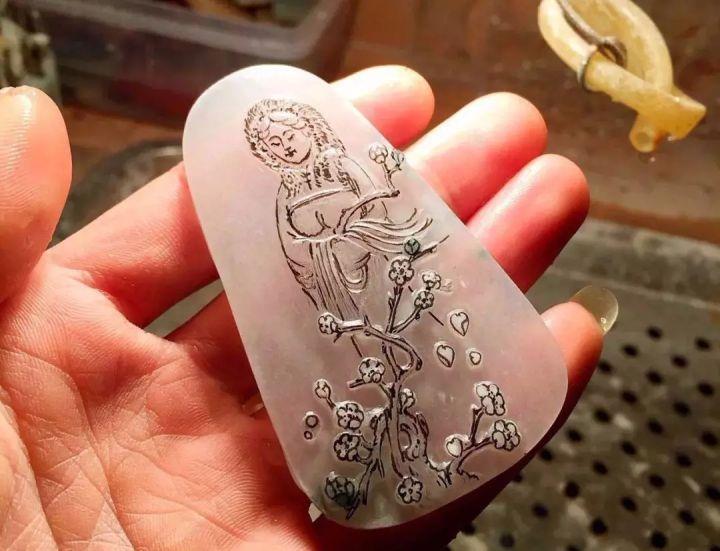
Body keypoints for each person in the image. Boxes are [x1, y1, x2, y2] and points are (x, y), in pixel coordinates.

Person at [0, 65, 614, 549]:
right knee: (386, 381)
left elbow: (387, 213)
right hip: (345, 298)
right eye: (272, 143)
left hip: (397, 278)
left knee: (437, 361)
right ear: (266, 156)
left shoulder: (350, 163)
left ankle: (451, 428)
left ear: (311, 128)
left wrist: (362, 229)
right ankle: (410, 447)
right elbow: (297, 256)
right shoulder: (281, 199)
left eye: (290, 132)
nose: (285, 144)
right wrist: (328, 249)